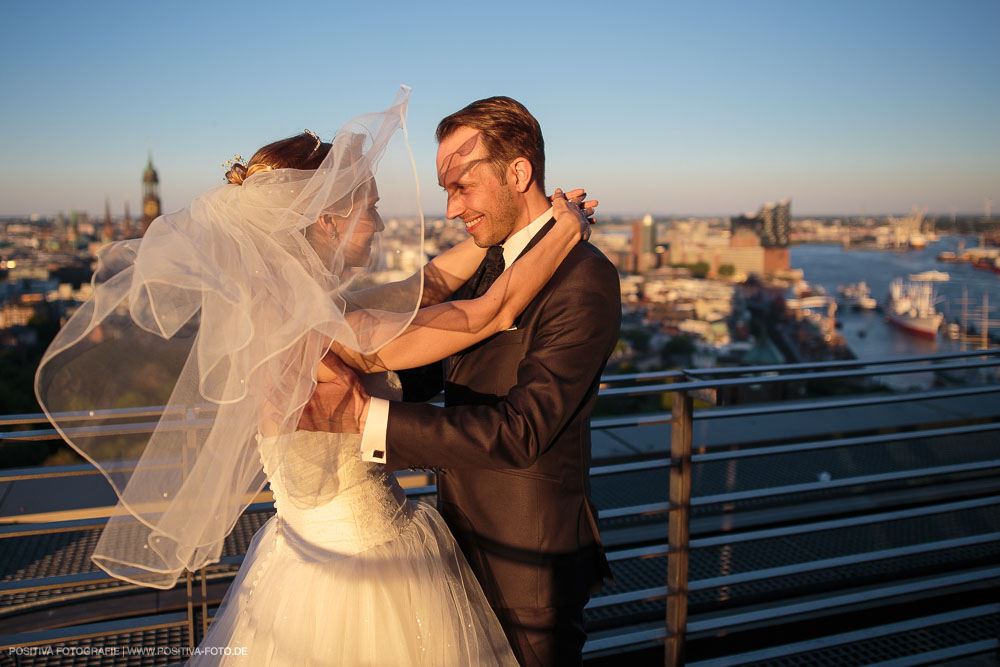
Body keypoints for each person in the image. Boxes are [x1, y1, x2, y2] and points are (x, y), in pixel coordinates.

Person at [34, 88, 596, 666]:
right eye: (370, 207)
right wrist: (564, 231)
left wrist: (497, 232)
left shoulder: (290, 312)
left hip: (301, 555)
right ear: (327, 217)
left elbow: (426, 287)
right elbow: (492, 312)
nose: (380, 221)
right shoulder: (332, 331)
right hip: (368, 567)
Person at [300, 96, 623, 666]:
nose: (451, 209)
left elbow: (521, 432)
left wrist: (365, 417)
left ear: (518, 173)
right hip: (453, 547)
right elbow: (438, 364)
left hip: (529, 562)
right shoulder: (491, 266)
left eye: (462, 187)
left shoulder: (583, 278)